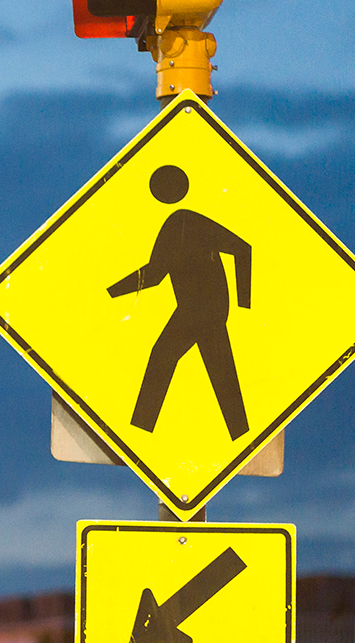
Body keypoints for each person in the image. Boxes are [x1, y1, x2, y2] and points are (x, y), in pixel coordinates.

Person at [106, 164, 252, 439]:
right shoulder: (173, 226)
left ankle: (140, 432)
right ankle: (240, 434)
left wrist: (245, 305)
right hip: (196, 309)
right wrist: (111, 292)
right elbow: (154, 274)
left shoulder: (187, 221)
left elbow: (243, 249)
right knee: (219, 371)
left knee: (164, 357)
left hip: (204, 308)